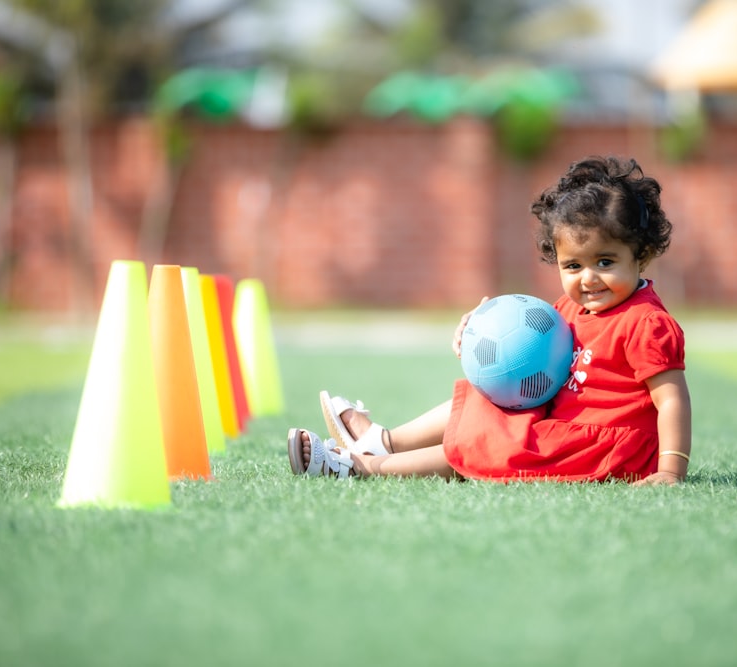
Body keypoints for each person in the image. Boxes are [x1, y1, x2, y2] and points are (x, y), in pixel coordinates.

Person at [288, 155, 692, 486]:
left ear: (640, 255)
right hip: (557, 424)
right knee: (485, 398)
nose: (588, 278)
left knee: (488, 440)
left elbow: (671, 399)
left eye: (605, 262)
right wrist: (480, 332)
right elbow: (523, 349)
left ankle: (357, 467)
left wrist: (670, 471)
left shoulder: (645, 323)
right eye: (573, 265)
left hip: (603, 448)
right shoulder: (574, 308)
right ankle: (382, 442)